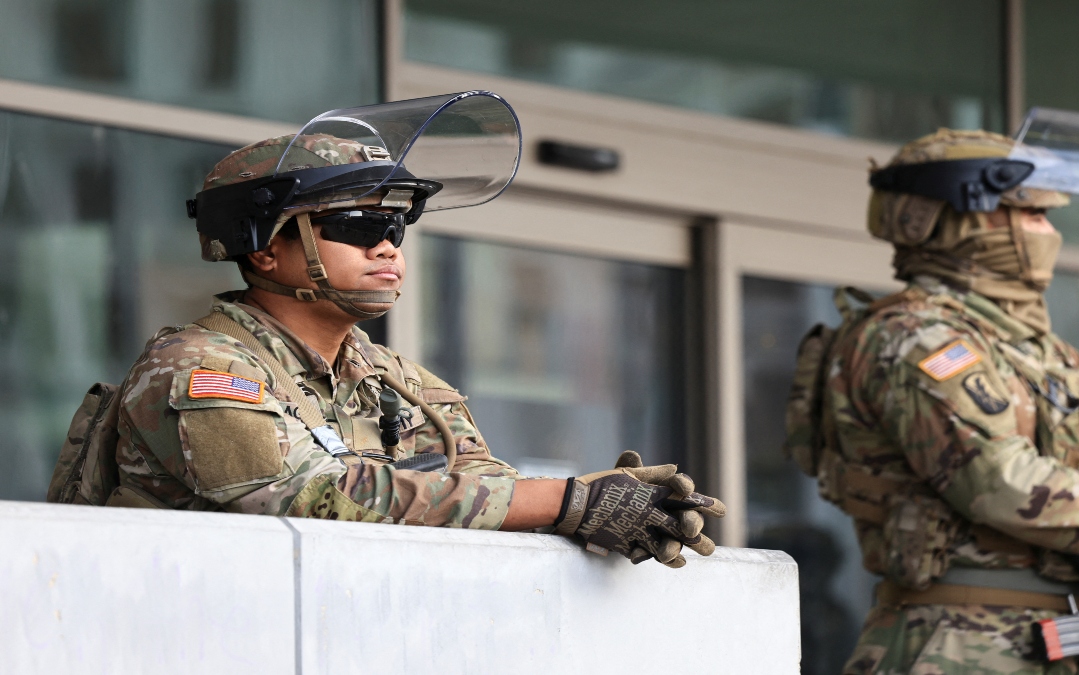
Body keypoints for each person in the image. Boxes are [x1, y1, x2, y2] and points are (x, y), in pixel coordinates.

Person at [92, 92, 723, 568]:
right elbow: (308, 497)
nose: (389, 248)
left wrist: (593, 500)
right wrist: (563, 502)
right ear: (263, 250)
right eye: (361, 226)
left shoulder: (399, 382)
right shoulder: (197, 367)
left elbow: (479, 489)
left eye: (396, 228)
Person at [785, 124, 1079, 673]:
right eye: (1032, 214)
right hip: (958, 642)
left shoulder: (1048, 355)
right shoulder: (911, 336)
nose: (1047, 232)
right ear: (964, 219)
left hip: (1073, 639)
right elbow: (998, 480)